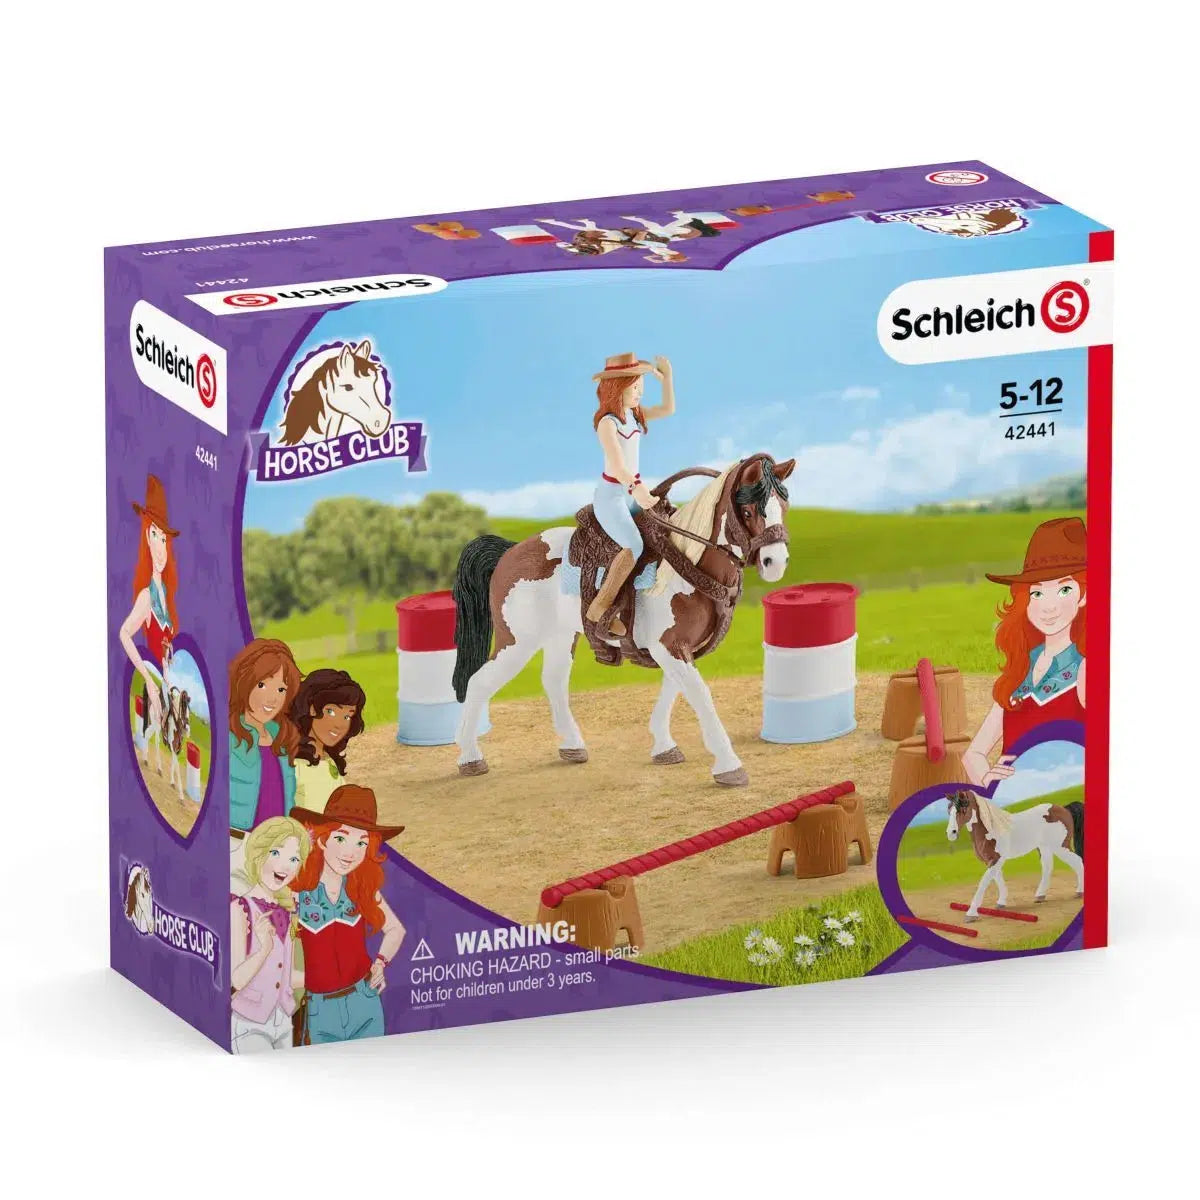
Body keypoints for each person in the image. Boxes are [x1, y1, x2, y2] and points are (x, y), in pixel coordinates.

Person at [963, 517, 1088, 787]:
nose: (1048, 606)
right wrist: (987, 781)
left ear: (1084, 595)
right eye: (1037, 594)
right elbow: (973, 754)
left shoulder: (1085, 669)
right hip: (1011, 804)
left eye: (1064, 589)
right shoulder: (1022, 667)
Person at [291, 786, 406, 1044]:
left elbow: (396, 930)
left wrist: (380, 964)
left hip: (364, 1000)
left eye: (361, 843)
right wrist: (302, 981)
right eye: (341, 839)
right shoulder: (297, 893)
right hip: (320, 1009)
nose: (350, 852)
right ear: (322, 839)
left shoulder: (361, 888)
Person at [585, 352, 677, 635]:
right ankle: (599, 607)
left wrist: (667, 379)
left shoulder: (635, 416)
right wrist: (637, 489)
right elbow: (617, 465)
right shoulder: (608, 423)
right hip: (612, 496)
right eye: (635, 387)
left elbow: (667, 409)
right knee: (634, 545)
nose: (640, 393)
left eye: (641, 387)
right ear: (618, 388)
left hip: (631, 491)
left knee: (664, 526)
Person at [230, 816, 310, 1052]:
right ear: (258, 854)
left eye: (294, 859)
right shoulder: (240, 908)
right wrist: (264, 949)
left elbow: (286, 976)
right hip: (249, 1023)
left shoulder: (287, 912)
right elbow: (236, 980)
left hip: (283, 1020)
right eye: (276, 853)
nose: (285, 867)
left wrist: (329, 978)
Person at [228, 640, 301, 865]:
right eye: (262, 685)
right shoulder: (228, 735)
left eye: (281, 689)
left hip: (276, 848)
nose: (272, 698)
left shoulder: (282, 736)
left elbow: (287, 793)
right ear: (244, 681)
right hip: (238, 845)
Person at [118, 475, 179, 732]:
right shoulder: (146, 596)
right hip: (152, 681)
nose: (161, 548)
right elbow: (124, 633)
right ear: (146, 536)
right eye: (155, 535)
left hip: (166, 679)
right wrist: (149, 679)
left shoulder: (165, 592)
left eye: (164, 539)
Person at [289, 669, 367, 814]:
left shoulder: (329, 759)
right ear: (312, 708)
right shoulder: (295, 766)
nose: (340, 725)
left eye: (347, 717)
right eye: (331, 712)